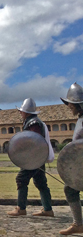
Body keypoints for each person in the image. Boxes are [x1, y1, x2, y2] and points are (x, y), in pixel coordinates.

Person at [7, 98, 54, 217]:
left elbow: (34, 141)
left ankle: (21, 208)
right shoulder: (33, 121)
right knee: (41, 182)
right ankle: (48, 209)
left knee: (21, 179)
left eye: (21, 111)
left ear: (26, 112)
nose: (20, 113)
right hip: (36, 157)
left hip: (33, 158)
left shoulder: (33, 123)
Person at [59, 83, 83, 235]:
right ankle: (78, 224)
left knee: (70, 189)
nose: (69, 107)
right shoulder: (81, 118)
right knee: (70, 188)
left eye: (72, 105)